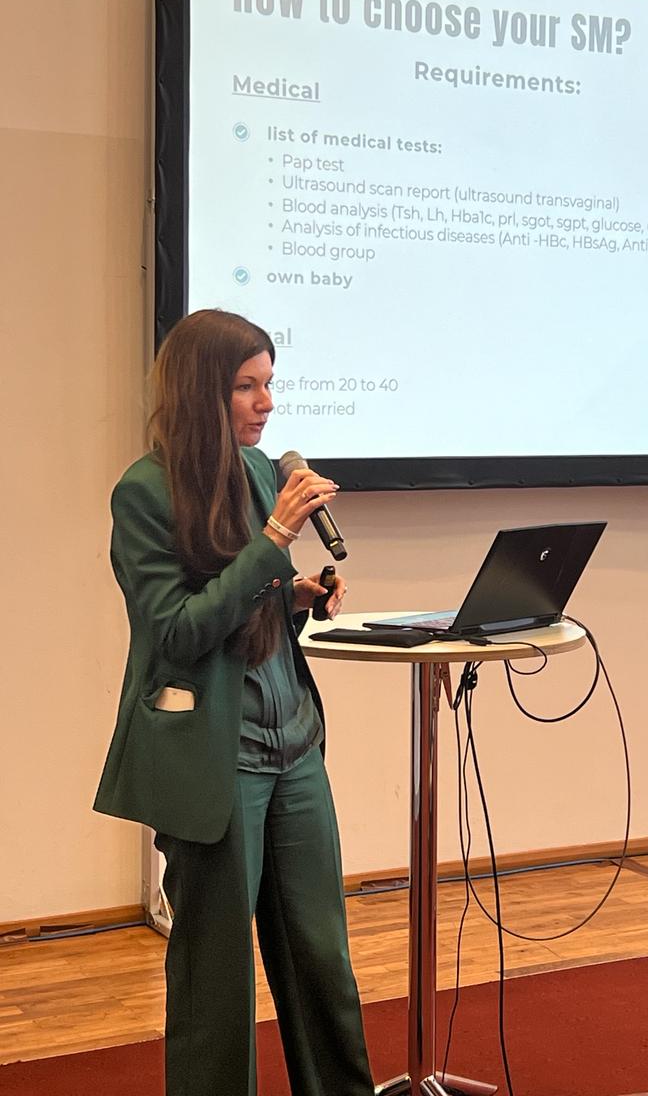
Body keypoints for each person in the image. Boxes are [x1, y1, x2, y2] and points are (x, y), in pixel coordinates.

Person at [94, 309, 375, 1096]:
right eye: (247, 386)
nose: (267, 403)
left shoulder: (255, 473)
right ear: (200, 392)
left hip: (294, 748)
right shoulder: (143, 493)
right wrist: (274, 542)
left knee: (322, 959)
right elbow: (179, 632)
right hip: (216, 758)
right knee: (216, 979)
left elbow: (249, 597)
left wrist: (296, 594)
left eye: (270, 383)